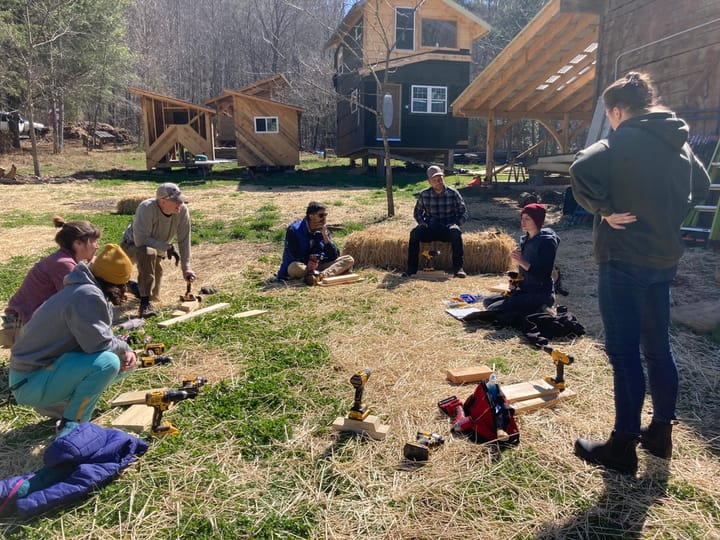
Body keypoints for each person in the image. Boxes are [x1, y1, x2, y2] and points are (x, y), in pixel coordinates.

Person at [569, 71, 711, 474]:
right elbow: (699, 187)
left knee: (623, 352)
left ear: (616, 111)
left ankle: (622, 445)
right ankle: (660, 433)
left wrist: (604, 209)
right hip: (663, 261)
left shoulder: (619, 139)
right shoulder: (677, 141)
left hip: (623, 260)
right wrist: (667, 212)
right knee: (657, 348)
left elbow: (581, 168)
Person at [8, 244, 137, 438]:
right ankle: (71, 428)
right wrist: (125, 347)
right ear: (115, 285)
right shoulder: (86, 295)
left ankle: (61, 406)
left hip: (37, 377)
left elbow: (96, 340)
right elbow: (98, 345)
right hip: (30, 382)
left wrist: (123, 350)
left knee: (123, 362)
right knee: (108, 363)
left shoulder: (83, 290)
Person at [5, 216, 101, 326]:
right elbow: (78, 301)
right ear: (78, 243)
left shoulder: (64, 259)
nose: (97, 246)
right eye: (93, 241)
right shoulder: (64, 264)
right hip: (21, 322)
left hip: (28, 318)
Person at [120, 183, 196, 318]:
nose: (180, 203)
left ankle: (133, 287)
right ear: (162, 201)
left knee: (154, 295)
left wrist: (186, 268)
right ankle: (144, 304)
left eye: (181, 200)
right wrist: (166, 247)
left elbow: (184, 240)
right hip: (132, 246)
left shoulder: (182, 211)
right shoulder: (146, 208)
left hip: (156, 249)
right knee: (147, 252)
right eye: (176, 201)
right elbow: (141, 241)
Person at [482, 203, 559, 324]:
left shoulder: (547, 243)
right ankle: (528, 310)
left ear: (537, 220)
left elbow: (544, 274)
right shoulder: (525, 240)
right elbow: (523, 272)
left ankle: (540, 309)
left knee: (493, 310)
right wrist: (515, 282)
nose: (523, 222)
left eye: (527, 219)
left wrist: (522, 262)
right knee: (488, 301)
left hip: (540, 294)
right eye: (522, 218)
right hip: (524, 290)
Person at [406, 165, 468, 278]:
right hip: (430, 227)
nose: (438, 182)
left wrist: (456, 223)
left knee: (456, 232)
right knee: (414, 233)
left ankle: (458, 268)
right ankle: (411, 268)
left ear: (443, 177)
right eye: (434, 180)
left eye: (440, 179)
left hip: (447, 228)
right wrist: (421, 222)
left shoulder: (453, 193)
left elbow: (463, 212)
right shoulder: (424, 194)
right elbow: (417, 212)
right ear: (430, 182)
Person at [277, 201, 354, 284]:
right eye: (321, 215)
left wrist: (325, 236)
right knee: (294, 267)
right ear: (311, 216)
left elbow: (334, 256)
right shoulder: (294, 230)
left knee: (348, 259)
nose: (324, 219)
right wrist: (310, 262)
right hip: (302, 265)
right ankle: (321, 274)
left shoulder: (324, 230)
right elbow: (294, 255)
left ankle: (320, 276)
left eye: (325, 215)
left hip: (319, 265)